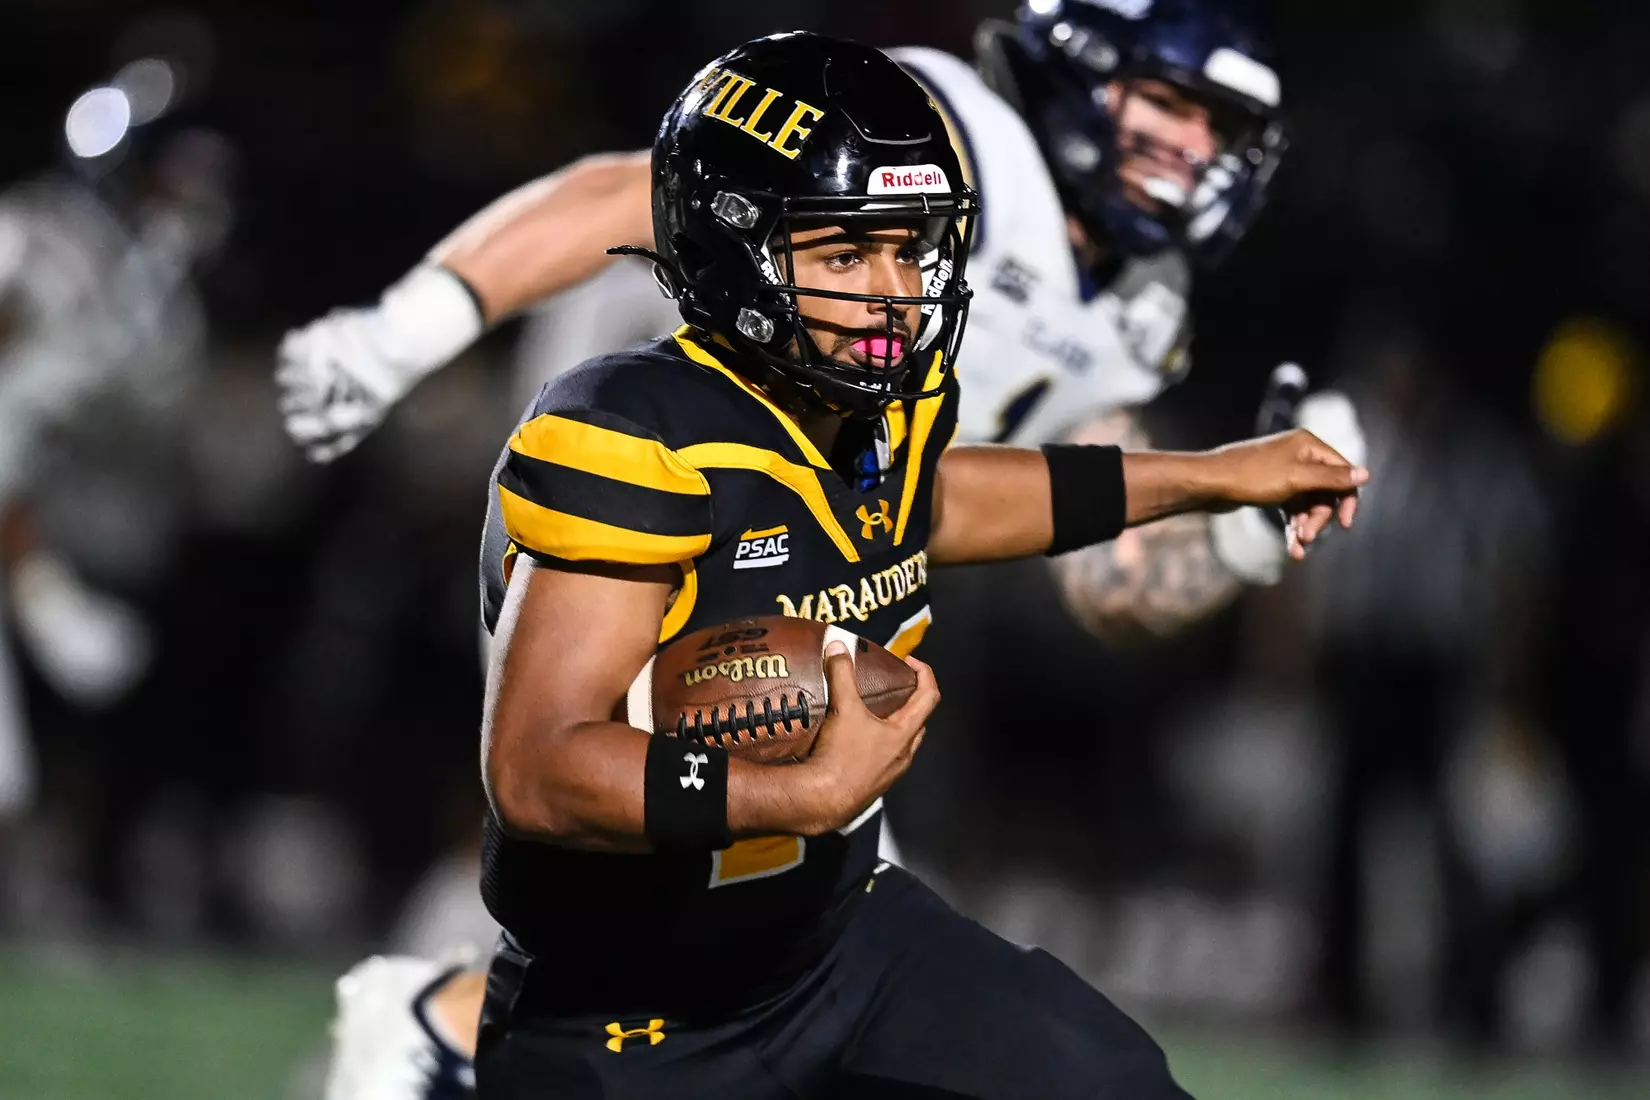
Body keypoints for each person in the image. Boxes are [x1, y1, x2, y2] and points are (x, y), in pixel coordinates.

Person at [293, 4, 1370, 1095]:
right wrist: (411, 327)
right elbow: (628, 192)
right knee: (673, 833)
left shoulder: (1121, 310)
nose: (897, 289)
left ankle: (446, 1017)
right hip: (680, 527)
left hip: (828, 719)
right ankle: (450, 1023)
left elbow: (1038, 544)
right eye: (1173, 103)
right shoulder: (922, 133)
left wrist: (1232, 516)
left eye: (914, 250)